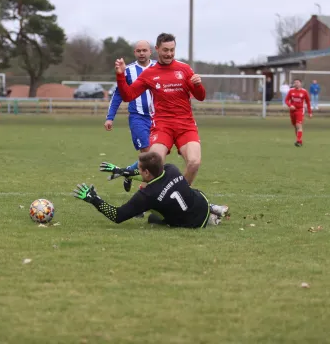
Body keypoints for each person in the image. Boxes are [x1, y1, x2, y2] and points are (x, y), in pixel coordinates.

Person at [105, 33, 206, 186]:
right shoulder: (150, 74)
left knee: (194, 163)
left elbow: (200, 96)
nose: (169, 54)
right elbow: (128, 95)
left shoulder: (184, 69)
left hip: (185, 126)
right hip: (162, 126)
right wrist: (120, 76)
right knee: (152, 167)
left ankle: (180, 194)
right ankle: (146, 196)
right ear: (157, 49)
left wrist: (198, 85)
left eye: (172, 50)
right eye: (165, 50)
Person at [74, 152, 229, 228]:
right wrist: (122, 171)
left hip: (191, 224)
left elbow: (117, 215)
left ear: (147, 172)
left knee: (152, 218)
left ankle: (211, 219)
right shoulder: (171, 169)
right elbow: (150, 176)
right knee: (186, 190)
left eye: (139, 169)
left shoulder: (147, 195)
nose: (138, 171)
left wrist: (93, 198)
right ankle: (213, 209)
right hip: (201, 202)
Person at [104, 40, 156, 192]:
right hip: (137, 118)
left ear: (150, 52)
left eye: (144, 50)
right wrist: (110, 117)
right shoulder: (128, 71)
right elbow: (118, 94)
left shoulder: (158, 68)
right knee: (149, 156)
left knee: (155, 157)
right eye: (138, 50)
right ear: (134, 52)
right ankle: (144, 195)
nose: (141, 53)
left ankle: (127, 172)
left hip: (158, 118)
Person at [285, 78, 312, 147]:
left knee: (298, 125)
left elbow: (308, 102)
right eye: (295, 83)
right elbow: (286, 100)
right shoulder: (291, 91)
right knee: (295, 126)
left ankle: (298, 141)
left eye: (297, 82)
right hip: (292, 111)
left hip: (300, 110)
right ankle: (299, 140)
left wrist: (310, 112)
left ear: (300, 83)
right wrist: (290, 105)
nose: (296, 84)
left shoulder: (304, 91)